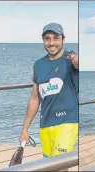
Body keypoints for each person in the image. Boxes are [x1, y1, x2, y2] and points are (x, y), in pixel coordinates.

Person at [19, 23, 79, 163]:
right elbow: (35, 99)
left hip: (67, 122)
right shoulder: (38, 65)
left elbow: (78, 61)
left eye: (56, 38)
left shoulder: (70, 58)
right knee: (49, 166)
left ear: (63, 39)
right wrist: (24, 129)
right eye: (47, 38)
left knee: (61, 165)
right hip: (45, 125)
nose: (52, 43)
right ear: (43, 40)